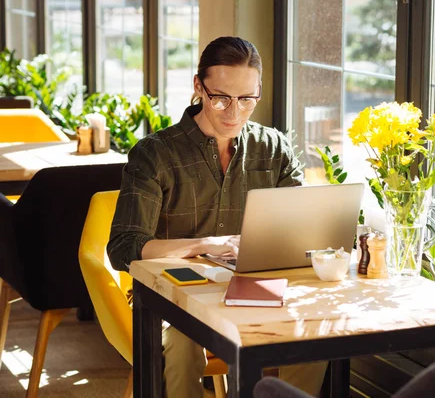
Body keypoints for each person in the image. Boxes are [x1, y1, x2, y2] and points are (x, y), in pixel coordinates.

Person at [107, 36, 328, 397]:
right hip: (172, 294)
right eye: (221, 98)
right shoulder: (154, 154)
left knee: (315, 333)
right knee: (182, 345)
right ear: (199, 87)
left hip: (251, 287)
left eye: (247, 100)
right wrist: (205, 245)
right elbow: (123, 247)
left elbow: (301, 228)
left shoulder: (273, 149)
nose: (234, 112)